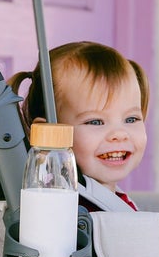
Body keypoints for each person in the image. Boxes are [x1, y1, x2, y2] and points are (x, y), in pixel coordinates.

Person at [10, 41, 149, 212]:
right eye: (95, 122)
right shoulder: (68, 211)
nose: (120, 134)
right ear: (47, 133)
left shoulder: (113, 199)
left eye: (131, 119)